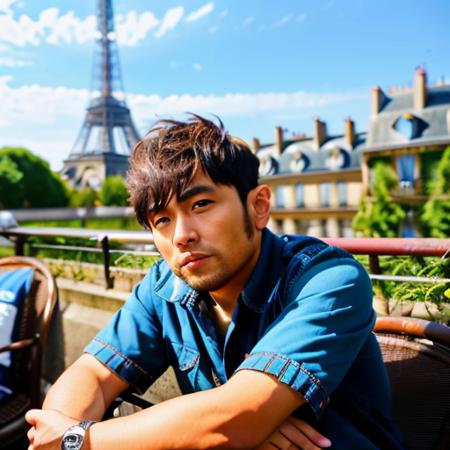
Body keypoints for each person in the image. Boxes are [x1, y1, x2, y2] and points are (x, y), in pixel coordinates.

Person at [26, 115, 403, 450]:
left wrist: (80, 440)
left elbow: (237, 420)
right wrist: (225, 425)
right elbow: (89, 373)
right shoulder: (164, 287)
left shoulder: (328, 280)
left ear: (258, 206)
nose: (181, 236)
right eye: (162, 220)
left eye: (200, 205)